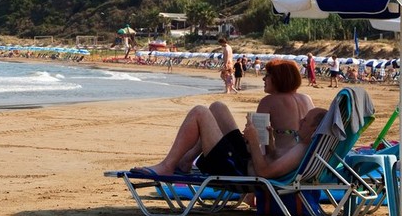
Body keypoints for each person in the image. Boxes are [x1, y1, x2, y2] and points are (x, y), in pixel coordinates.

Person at [135, 59, 314, 176]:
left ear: (279, 79)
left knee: (199, 112)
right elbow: (272, 148)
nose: (264, 79)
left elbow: (258, 150)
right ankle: (187, 159)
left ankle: (169, 164)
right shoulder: (306, 100)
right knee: (217, 107)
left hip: (244, 167)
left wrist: (250, 139)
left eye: (268, 75)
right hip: (272, 161)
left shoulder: (270, 101)